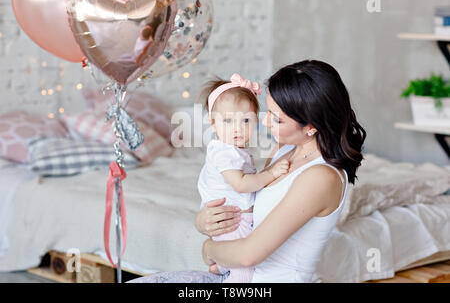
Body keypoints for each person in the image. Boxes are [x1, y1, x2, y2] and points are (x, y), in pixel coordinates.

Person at [128, 59, 366, 283]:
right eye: (268, 112)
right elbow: (248, 197)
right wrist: (204, 222)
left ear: (311, 126)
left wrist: (207, 248)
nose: (264, 122)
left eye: (277, 119)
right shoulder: (285, 150)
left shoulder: (320, 177)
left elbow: (248, 256)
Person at [197, 73, 289, 282]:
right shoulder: (224, 152)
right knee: (244, 272)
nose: (238, 128)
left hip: (233, 219)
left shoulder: (234, 149)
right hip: (232, 221)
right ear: (213, 123)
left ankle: (221, 266)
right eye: (228, 120)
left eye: (246, 120)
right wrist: (271, 174)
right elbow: (240, 184)